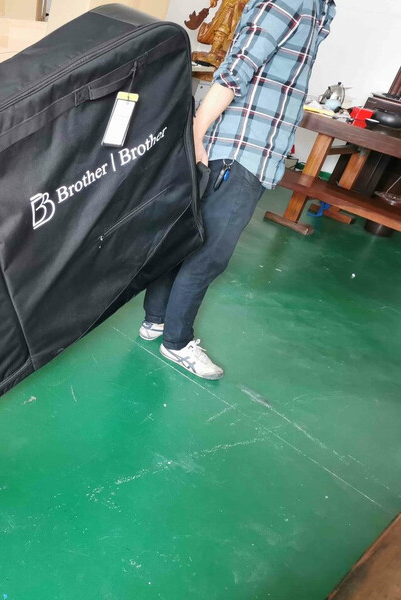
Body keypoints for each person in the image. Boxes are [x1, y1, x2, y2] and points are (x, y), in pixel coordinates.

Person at [139, 0, 336, 379]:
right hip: (242, 152)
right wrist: (195, 134)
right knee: (209, 253)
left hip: (247, 149)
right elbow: (236, 69)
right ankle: (177, 342)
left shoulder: (315, 7)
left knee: (187, 237)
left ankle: (156, 319)